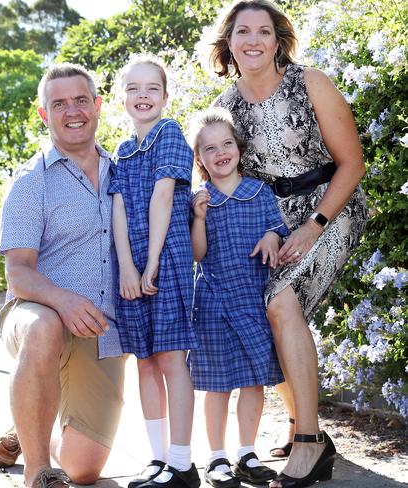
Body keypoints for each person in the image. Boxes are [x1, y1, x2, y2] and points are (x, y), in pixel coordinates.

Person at [209, 1, 368, 486]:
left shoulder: (310, 83)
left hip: (331, 207)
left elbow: (352, 163)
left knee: (279, 302)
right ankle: (308, 424)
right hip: (275, 221)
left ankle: (308, 443)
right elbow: (233, 179)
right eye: (242, 32)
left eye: (263, 31)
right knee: (259, 307)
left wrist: (314, 224)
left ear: (278, 39)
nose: (253, 40)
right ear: (229, 43)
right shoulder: (226, 109)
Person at [0, 63, 126, 488]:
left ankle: (27, 424)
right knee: (45, 325)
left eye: (81, 100)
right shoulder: (31, 183)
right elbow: (18, 273)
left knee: (83, 470)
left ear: (98, 106)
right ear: (43, 114)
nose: (72, 111)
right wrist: (63, 301)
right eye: (59, 103)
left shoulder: (125, 172)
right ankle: (36, 471)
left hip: (101, 330)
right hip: (36, 314)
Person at [109, 55, 199, 488]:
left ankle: (182, 463)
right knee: (144, 362)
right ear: (121, 96)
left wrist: (152, 262)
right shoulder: (122, 152)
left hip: (167, 263)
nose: (142, 96)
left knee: (170, 359)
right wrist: (127, 267)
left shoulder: (171, 134)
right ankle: (159, 460)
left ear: (165, 96)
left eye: (151, 89)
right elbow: (119, 211)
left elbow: (163, 197)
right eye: (133, 88)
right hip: (135, 268)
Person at [188, 108, 287, 488]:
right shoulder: (202, 198)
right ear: (200, 159)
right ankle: (217, 458)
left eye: (227, 144)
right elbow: (198, 254)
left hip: (252, 300)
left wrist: (272, 237)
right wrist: (198, 218)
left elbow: (276, 228)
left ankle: (247, 453)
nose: (220, 152)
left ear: (239, 148)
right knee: (217, 385)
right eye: (210, 148)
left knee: (253, 382)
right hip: (212, 301)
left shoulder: (259, 192)